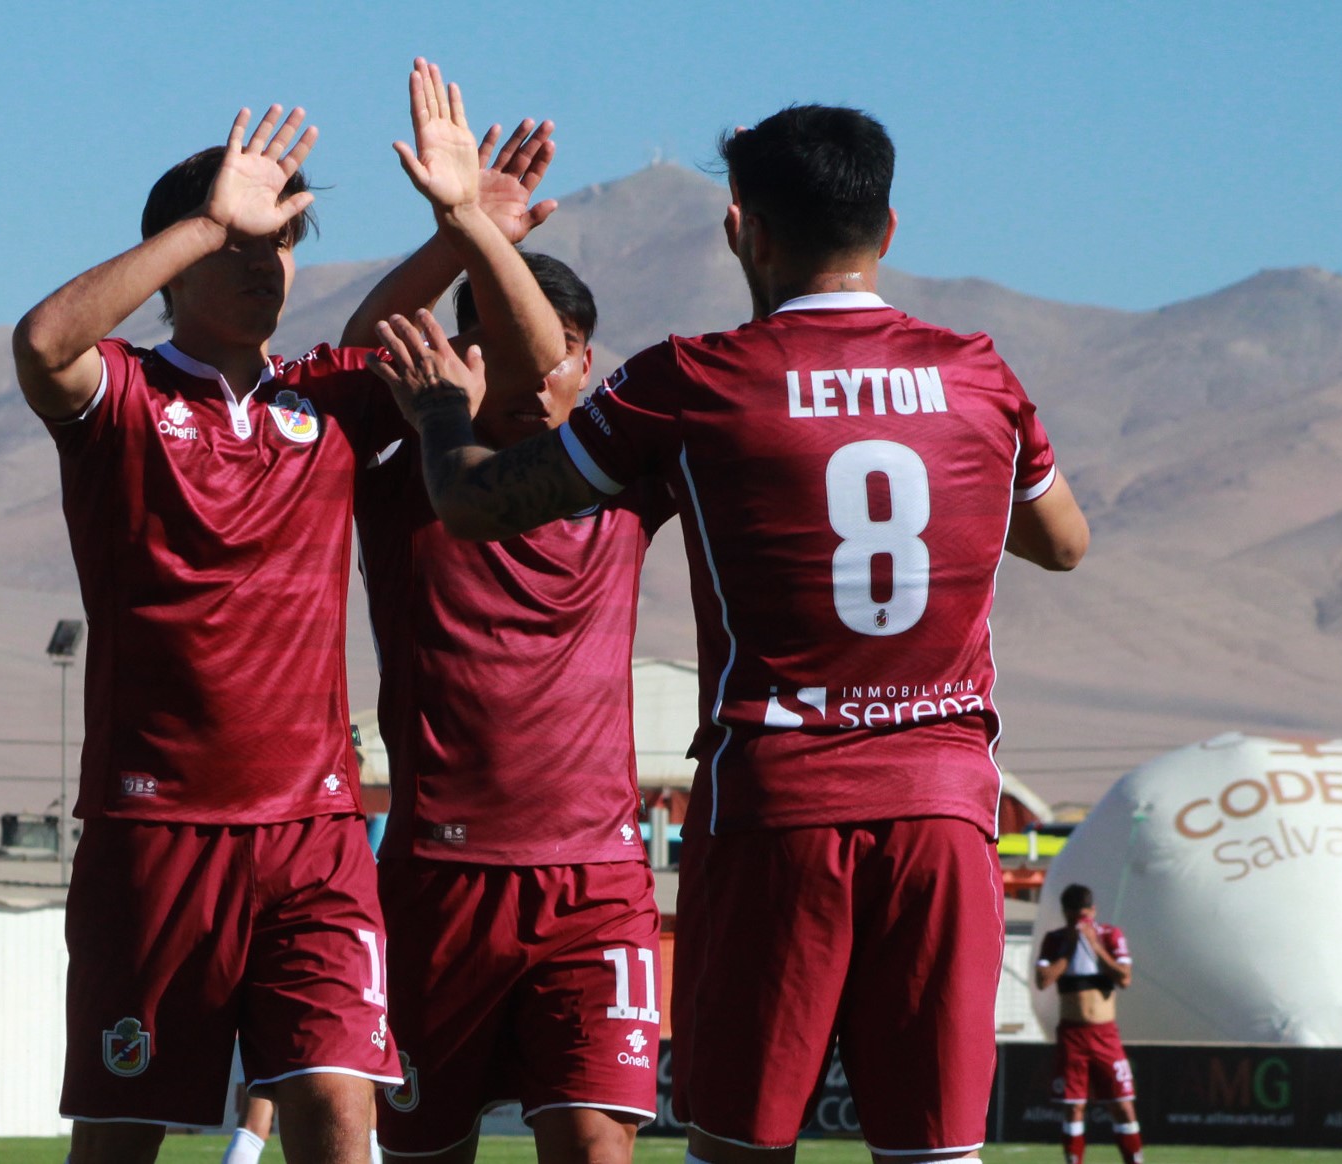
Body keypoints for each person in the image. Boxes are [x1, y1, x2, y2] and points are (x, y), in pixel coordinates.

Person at [369, 103, 1090, 1163]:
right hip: (941, 809)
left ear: (738, 227)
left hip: (776, 808)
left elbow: (479, 502)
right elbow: (1062, 542)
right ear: (887, 228)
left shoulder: (692, 381)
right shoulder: (976, 374)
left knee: (740, 1146)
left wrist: (439, 411)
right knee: (933, 1151)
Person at [10, 59, 563, 1164]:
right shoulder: (120, 396)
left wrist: (465, 228)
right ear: (184, 253)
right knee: (119, 1139)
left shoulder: (327, 401)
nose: (270, 265)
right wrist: (208, 221)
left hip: (311, 837)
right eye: (245, 246)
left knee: (334, 1105)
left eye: (284, 241)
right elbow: (41, 346)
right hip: (153, 834)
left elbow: (536, 374)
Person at [347, 239, 671, 1161]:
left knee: (594, 1147)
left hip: (595, 887)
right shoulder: (402, 462)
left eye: (557, 346)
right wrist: (456, 233)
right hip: (439, 884)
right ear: (460, 358)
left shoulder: (630, 474)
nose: (535, 371)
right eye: (504, 347)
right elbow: (357, 343)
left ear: (587, 362)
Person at [1034, 885, 1143, 1164]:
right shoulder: (1056, 940)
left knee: (1122, 1105)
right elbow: (1044, 980)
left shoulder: (1109, 936)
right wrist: (1070, 948)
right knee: (1074, 1107)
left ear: (1092, 912)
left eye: (1083, 917)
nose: (1078, 923)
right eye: (1073, 918)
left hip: (1105, 1034)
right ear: (1065, 914)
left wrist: (1094, 946)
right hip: (1073, 1035)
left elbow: (1124, 978)